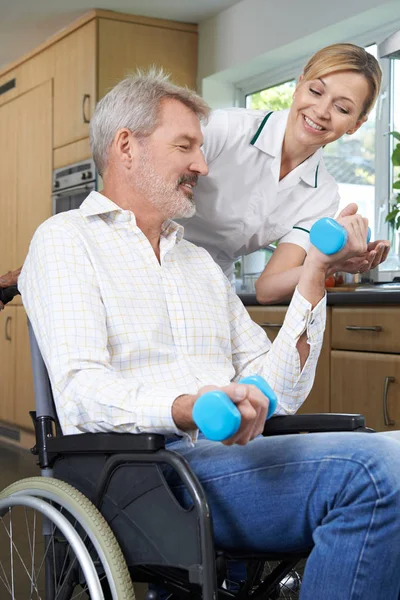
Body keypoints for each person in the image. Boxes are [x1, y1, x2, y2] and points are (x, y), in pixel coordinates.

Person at [19, 71, 400, 600]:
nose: (202, 164)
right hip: (145, 475)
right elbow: (83, 392)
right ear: (126, 146)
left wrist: (315, 273)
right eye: (186, 146)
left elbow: (278, 391)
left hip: (224, 462)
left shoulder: (198, 263)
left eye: (201, 147)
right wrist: (188, 407)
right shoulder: (65, 241)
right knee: (377, 472)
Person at [182, 43, 390, 303]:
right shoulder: (226, 128)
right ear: (299, 84)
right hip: (147, 256)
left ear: (356, 125)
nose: (321, 112)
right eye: (315, 91)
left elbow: (267, 289)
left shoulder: (322, 195)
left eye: (342, 109)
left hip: (210, 287)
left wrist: (332, 263)